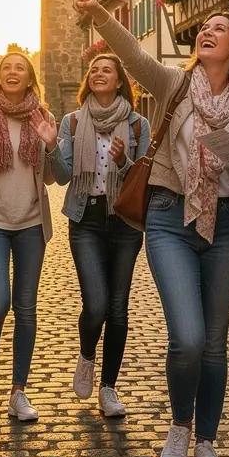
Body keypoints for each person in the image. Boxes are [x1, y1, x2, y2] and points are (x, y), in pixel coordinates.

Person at [71, 0, 229, 457]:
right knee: (190, 338)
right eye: (204, 28)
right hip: (169, 218)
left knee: (215, 343)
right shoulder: (174, 84)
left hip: (225, 226)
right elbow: (131, 54)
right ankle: (179, 426)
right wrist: (99, 15)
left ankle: (206, 445)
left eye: (220, 28)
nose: (208, 32)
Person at [0, 51, 70, 421]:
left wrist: (52, 144)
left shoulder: (45, 118)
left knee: (26, 307)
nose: (12, 71)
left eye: (19, 67)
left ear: (29, 78)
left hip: (31, 225)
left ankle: (18, 391)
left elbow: (57, 177)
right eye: (6, 67)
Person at [55, 53, 150, 417]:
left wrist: (124, 161)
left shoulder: (138, 125)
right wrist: (51, 145)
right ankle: (86, 354)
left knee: (119, 309)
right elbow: (63, 175)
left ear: (120, 80)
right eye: (93, 70)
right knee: (96, 305)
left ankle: (108, 388)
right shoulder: (73, 122)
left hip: (125, 223)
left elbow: (141, 177)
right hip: (86, 219)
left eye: (106, 69)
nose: (98, 73)